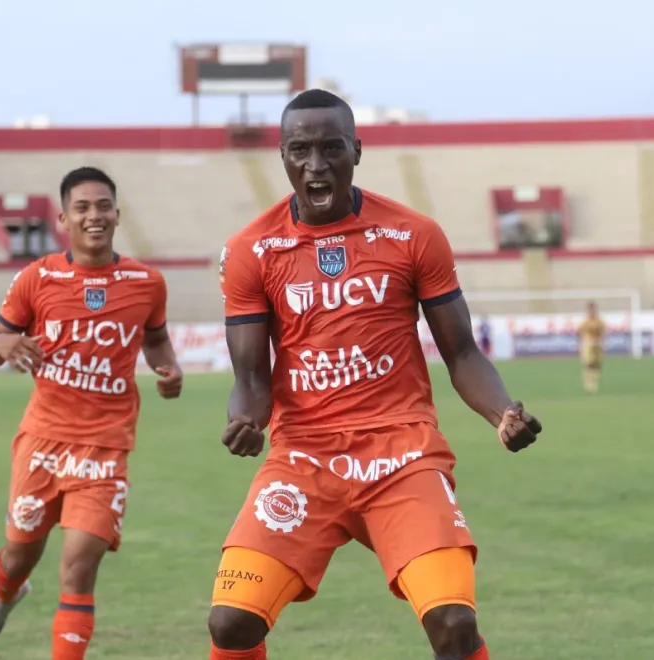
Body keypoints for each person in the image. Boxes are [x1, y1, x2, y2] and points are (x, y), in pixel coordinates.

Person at [209, 89, 542, 660]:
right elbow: (251, 375)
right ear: (283, 157)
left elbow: (461, 353)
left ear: (357, 151)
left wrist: (501, 412)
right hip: (304, 460)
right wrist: (247, 419)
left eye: (331, 148)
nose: (316, 165)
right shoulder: (251, 251)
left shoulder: (413, 235)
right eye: (301, 150)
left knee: (455, 627)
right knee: (231, 623)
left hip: (402, 456)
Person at [0, 167, 183, 659]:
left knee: (78, 569)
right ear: (64, 218)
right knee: (20, 552)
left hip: (105, 447)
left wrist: (167, 370)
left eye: (103, 206)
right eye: (83, 208)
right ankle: (5, 595)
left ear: (117, 213)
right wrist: (4, 343)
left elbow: (155, 340)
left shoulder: (147, 283)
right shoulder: (37, 277)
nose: (95, 216)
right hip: (42, 441)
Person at [577, 302, 606, 393]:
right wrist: (581, 343)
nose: (593, 311)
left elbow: (603, 332)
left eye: (595, 309)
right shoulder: (586, 322)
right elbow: (579, 332)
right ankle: (588, 383)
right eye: (592, 309)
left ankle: (594, 380)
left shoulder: (599, 321)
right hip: (588, 344)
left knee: (597, 364)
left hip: (597, 344)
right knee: (589, 363)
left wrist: (601, 341)